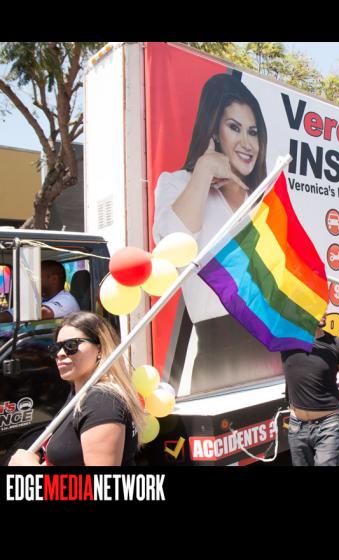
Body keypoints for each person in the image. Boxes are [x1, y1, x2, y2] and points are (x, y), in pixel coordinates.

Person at [152, 73, 278, 393]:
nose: (247, 142)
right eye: (234, 127)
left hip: (274, 344)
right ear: (214, 132)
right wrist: (205, 170)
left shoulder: (263, 198)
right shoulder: (178, 183)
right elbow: (173, 245)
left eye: (253, 132)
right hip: (220, 354)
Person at [8, 311, 144, 466]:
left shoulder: (101, 402)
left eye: (71, 345)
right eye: (56, 348)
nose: (60, 354)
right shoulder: (79, 394)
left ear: (100, 349)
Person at [280, 315, 339, 466]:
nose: (323, 313)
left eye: (324, 309)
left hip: (328, 425)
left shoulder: (337, 345)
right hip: (296, 426)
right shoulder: (287, 341)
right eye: (317, 308)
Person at [0, 260, 80, 323]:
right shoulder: (40, 298)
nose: (33, 282)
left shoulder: (67, 300)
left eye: (36, 278)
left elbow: (41, 312)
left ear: (54, 279)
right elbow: (12, 314)